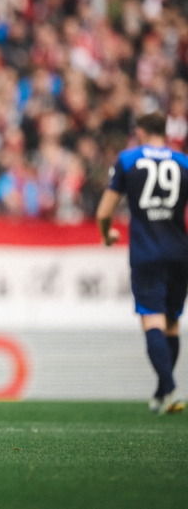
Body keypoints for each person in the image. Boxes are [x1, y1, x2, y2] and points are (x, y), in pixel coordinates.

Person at [96, 112, 188, 415]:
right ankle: (162, 393)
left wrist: (107, 234)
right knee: (171, 324)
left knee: (152, 320)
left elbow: (103, 212)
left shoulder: (128, 159)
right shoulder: (184, 161)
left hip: (147, 252)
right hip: (179, 251)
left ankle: (171, 389)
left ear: (140, 131)